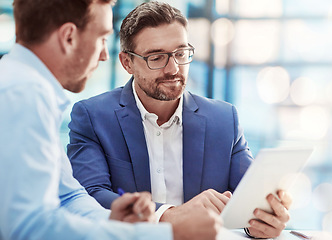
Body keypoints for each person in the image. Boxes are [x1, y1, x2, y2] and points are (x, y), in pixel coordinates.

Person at [67, 1, 291, 238]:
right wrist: (168, 216)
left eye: (181, 54)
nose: (173, 68)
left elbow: (248, 200)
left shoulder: (224, 120)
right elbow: (90, 195)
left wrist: (261, 221)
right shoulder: (92, 117)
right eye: (156, 57)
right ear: (127, 62)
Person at [0, 0, 221, 239]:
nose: (105, 55)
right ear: (68, 37)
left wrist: (113, 221)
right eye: (102, 38)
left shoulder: (25, 87)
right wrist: (167, 234)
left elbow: (67, 196)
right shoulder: (22, 94)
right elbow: (29, 227)